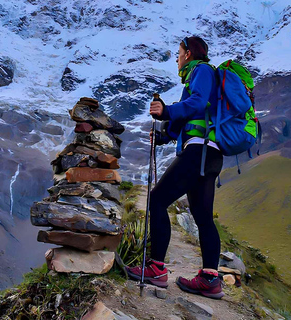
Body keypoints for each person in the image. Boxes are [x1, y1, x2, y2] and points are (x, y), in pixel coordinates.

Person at [126, 36, 224, 299]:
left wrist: (166, 111)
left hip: (198, 152)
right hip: (211, 154)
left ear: (189, 53)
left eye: (178, 53)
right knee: (203, 217)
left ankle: (156, 268)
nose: (177, 58)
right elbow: (188, 116)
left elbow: (199, 103)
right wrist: (164, 135)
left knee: (157, 199)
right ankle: (210, 278)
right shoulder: (199, 75)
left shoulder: (201, 71)